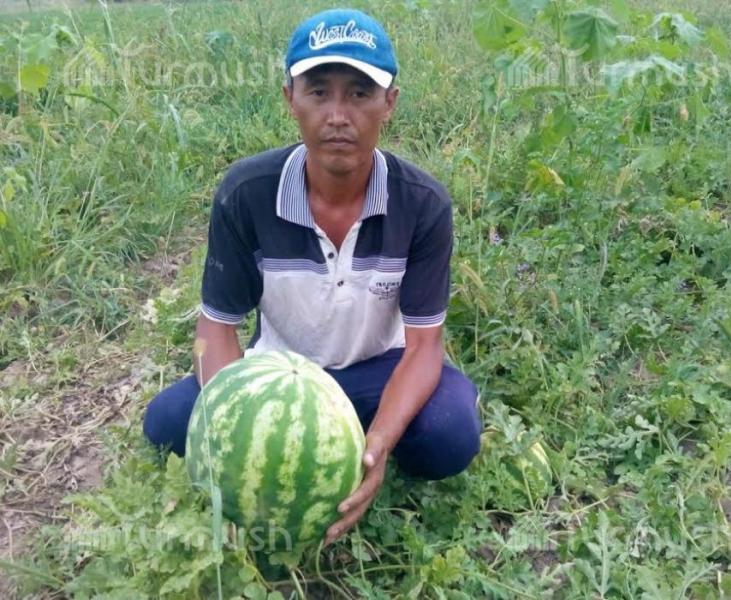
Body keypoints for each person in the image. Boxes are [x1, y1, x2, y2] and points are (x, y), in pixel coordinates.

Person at [143, 8, 481, 546]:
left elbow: (424, 348)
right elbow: (217, 329)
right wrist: (235, 426)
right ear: (290, 99)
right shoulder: (247, 193)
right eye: (319, 92)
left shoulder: (422, 204)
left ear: (389, 103)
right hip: (279, 371)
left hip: (378, 370)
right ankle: (314, 445)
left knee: (450, 434)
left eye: (360, 93)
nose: (338, 115)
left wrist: (377, 445)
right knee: (166, 424)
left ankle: (358, 445)